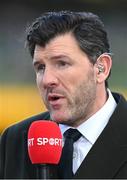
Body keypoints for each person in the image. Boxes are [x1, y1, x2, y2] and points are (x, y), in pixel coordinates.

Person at [0, 10, 127, 179]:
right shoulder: (14, 141)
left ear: (101, 68)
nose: (47, 80)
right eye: (40, 67)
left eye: (62, 63)